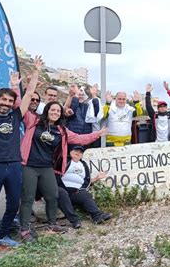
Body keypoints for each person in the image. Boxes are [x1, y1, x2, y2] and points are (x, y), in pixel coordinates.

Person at [19, 100, 108, 241]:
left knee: (53, 195)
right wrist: (15, 87)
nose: (55, 112)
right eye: (52, 110)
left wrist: (98, 134)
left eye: (58, 111)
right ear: (47, 110)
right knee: (28, 197)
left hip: (47, 167)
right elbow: (21, 105)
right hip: (29, 165)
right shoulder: (34, 122)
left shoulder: (61, 131)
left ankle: (52, 225)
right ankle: (24, 230)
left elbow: (80, 138)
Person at [0, 59, 42, 266]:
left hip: (14, 165)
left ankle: (1, 238)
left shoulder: (15, 116)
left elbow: (28, 95)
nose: (7, 103)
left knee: (13, 204)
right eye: (4, 100)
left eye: (10, 101)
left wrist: (35, 72)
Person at [56, 146, 111, 228]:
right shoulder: (63, 161)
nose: (78, 153)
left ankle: (97, 216)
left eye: (80, 152)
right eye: (76, 150)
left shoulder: (83, 165)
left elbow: (87, 182)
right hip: (63, 189)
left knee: (85, 195)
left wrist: (97, 178)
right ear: (70, 152)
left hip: (76, 191)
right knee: (61, 193)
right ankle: (75, 221)